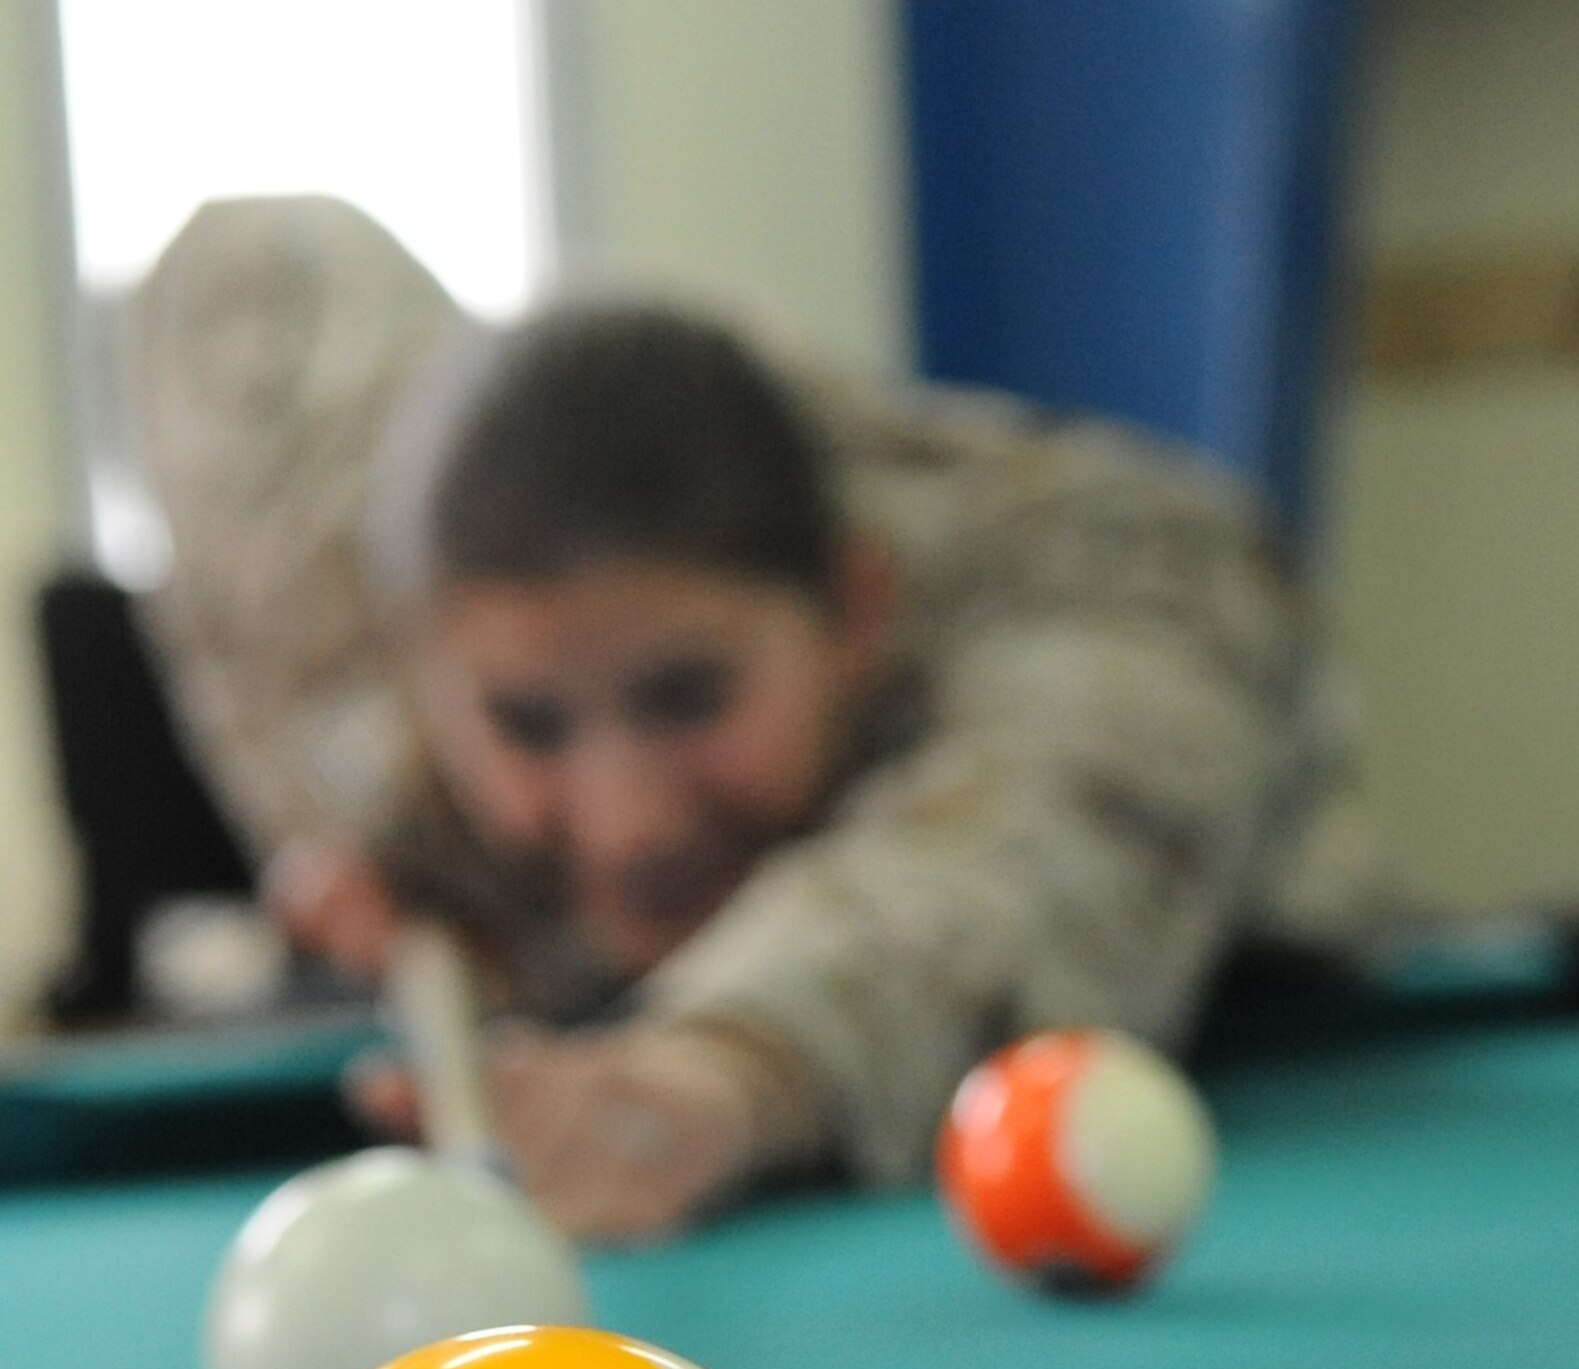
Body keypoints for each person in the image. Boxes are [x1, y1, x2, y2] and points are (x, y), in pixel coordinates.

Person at [129, 197, 1379, 1241]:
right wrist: (411, 845)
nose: (624, 822)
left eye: (689, 695)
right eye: (527, 724)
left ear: (856, 610)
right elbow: (244, 259)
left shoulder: (1129, 576)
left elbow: (1012, 869)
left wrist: (722, 1068)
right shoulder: (318, 560)